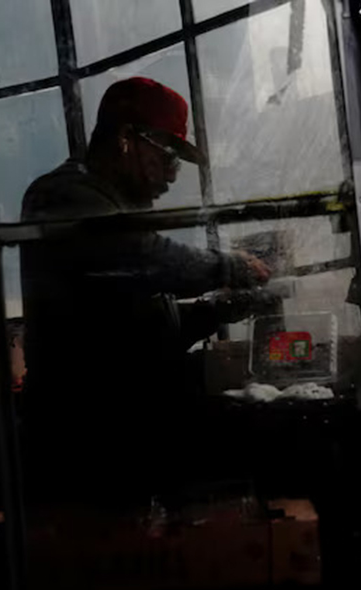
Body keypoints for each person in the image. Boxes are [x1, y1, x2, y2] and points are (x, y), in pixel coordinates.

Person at [20, 77, 270, 502]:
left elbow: (139, 323)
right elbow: (140, 257)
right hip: (85, 437)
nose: (173, 173)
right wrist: (229, 267)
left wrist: (222, 310)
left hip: (127, 427)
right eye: (168, 154)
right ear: (124, 139)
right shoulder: (64, 195)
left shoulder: (113, 206)